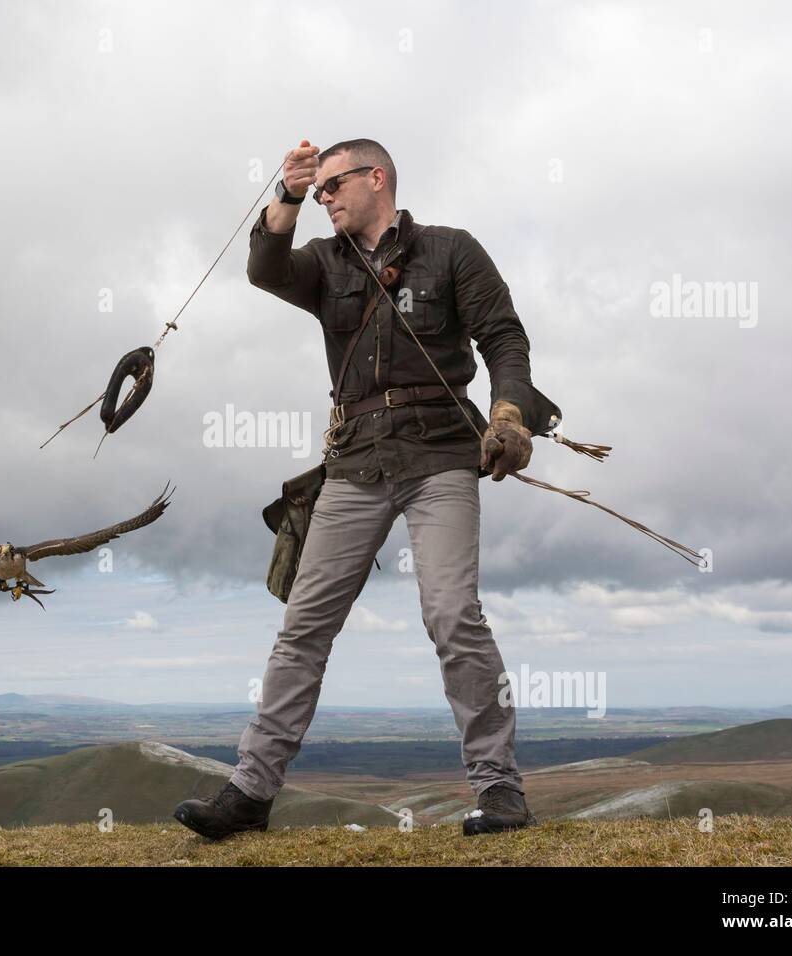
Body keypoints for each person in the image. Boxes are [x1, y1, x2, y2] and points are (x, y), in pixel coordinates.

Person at [173, 138, 560, 841]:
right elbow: (263, 269)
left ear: (376, 178)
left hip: (441, 456)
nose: (324, 199)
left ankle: (500, 793)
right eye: (315, 192)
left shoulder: (451, 251)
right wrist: (285, 196)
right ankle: (250, 794)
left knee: (452, 615)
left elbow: (504, 338)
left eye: (330, 186)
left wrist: (508, 415)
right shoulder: (323, 263)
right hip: (354, 465)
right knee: (303, 628)